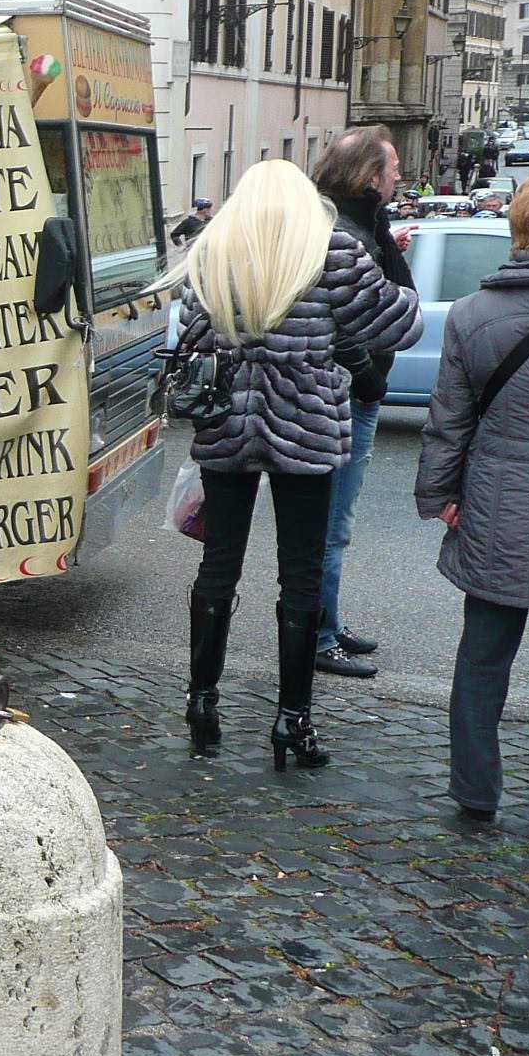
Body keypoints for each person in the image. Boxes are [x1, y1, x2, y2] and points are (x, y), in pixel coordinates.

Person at [177, 160, 420, 769]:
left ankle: (202, 704)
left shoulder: (216, 250)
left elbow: (192, 331)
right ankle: (293, 721)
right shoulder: (331, 250)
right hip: (304, 422)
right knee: (302, 573)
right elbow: (398, 326)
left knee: (219, 563)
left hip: (226, 419)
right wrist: (393, 264)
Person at [415, 177, 529, 822]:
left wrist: (440, 494)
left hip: (497, 503)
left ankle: (475, 791)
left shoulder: (471, 314)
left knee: (483, 660)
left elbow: (449, 422)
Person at [309, 128, 417, 680]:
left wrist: (382, 228)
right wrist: (368, 376)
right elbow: (340, 320)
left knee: (335, 522)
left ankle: (327, 621)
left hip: (352, 391)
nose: (399, 176)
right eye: (392, 169)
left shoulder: (356, 226)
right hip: (348, 394)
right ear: (371, 177)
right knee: (331, 524)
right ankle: (319, 636)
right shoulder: (342, 233)